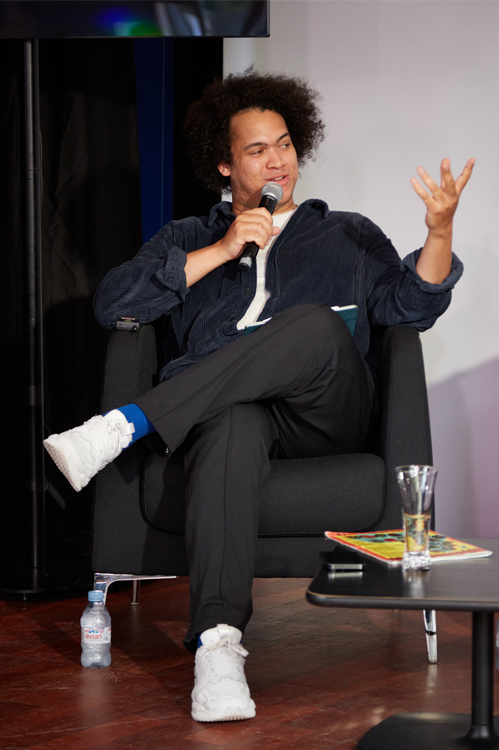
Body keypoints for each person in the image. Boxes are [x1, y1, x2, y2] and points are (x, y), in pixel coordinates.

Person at [42, 69, 475, 723]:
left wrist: (439, 232)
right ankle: (218, 648)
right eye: (255, 149)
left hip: (321, 412)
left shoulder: (347, 233)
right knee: (234, 424)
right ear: (224, 162)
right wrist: (221, 249)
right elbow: (115, 303)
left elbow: (409, 304)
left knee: (315, 325)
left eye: (284, 144)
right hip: (221, 415)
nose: (277, 159)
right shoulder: (189, 236)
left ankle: (125, 425)